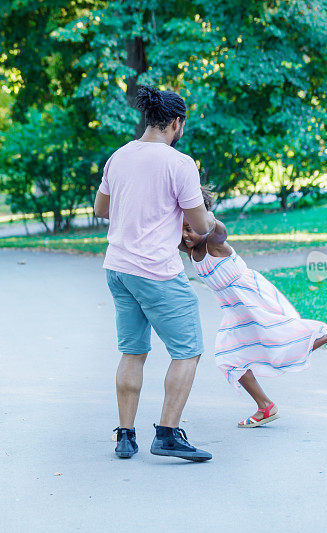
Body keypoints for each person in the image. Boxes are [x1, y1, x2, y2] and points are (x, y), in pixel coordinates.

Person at [94, 85, 215, 462]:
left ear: (149, 119)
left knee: (133, 351)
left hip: (118, 268)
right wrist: (211, 221)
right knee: (188, 349)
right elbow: (200, 222)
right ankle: (167, 433)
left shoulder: (119, 157)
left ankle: (125, 436)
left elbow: (102, 209)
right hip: (156, 272)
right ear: (176, 123)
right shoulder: (179, 164)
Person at [180, 188, 327, 428]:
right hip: (235, 310)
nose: (186, 234)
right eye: (182, 228)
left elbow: (217, 228)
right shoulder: (189, 248)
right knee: (229, 358)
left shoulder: (213, 242)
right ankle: (265, 406)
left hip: (253, 300)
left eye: (191, 227)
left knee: (282, 345)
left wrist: (197, 206)